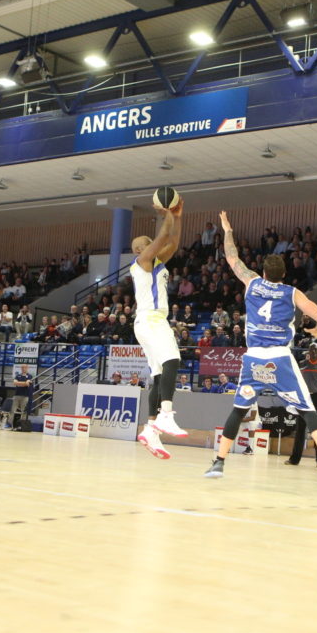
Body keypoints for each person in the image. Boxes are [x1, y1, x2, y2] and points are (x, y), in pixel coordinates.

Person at [205, 211, 317, 483]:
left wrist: (227, 230)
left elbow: (232, 258)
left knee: (239, 409)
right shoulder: (291, 292)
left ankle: (219, 463)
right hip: (280, 359)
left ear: (263, 273)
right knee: (307, 409)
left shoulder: (251, 282)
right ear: (283, 274)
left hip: (253, 359)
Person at [131, 193, 187, 459]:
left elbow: (172, 242)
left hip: (149, 321)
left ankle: (150, 429)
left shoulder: (156, 264)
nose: (155, 244)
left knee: (158, 375)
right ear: (140, 250)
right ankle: (166, 414)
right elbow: (164, 236)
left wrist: (177, 217)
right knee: (172, 359)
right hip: (151, 318)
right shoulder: (141, 263)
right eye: (149, 243)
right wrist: (165, 215)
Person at [287, 343, 317, 466]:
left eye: (316, 350)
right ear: (308, 351)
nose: (313, 352)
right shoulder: (301, 364)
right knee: (300, 429)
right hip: (303, 399)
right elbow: (295, 382)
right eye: (311, 350)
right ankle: (294, 459)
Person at [10, 364, 32, 431]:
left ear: (27, 368)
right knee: (13, 410)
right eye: (22, 367)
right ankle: (11, 425)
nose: (23, 368)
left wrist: (19, 383)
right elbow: (15, 383)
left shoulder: (29, 376)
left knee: (23, 411)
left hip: (25, 396)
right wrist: (24, 383)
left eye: (25, 367)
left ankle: (22, 426)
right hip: (17, 395)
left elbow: (27, 383)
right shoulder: (18, 375)